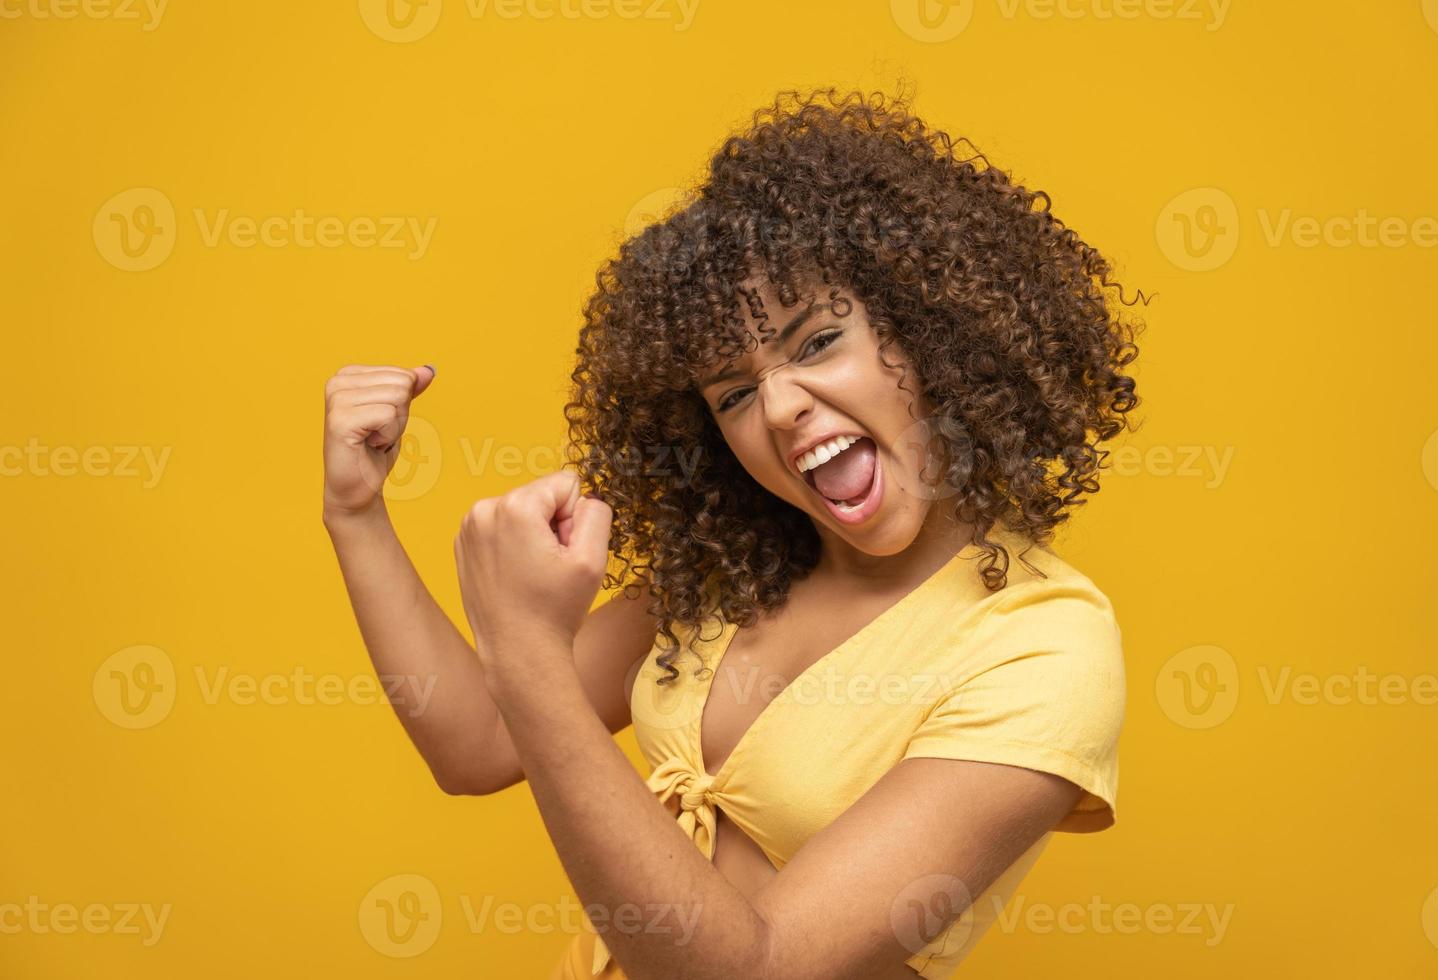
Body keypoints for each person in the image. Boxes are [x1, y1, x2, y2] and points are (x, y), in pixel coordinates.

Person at [322, 86, 1145, 979]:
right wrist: (357, 515)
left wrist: (526, 645)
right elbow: (477, 744)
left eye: (819, 340)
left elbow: (759, 966)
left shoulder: (1042, 646)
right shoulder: (740, 572)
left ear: (933, 327)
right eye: (734, 394)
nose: (783, 406)